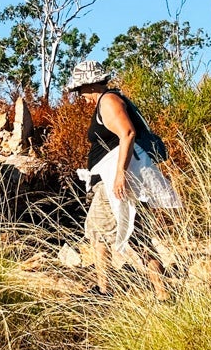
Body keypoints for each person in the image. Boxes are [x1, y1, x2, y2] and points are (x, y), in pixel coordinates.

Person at [66, 60, 179, 301]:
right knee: (136, 235)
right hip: (117, 179)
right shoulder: (110, 99)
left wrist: (120, 175)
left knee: (98, 231)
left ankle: (104, 290)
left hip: (114, 181)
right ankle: (162, 293)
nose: (80, 96)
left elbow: (127, 133)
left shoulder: (108, 101)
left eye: (80, 90)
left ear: (91, 84)